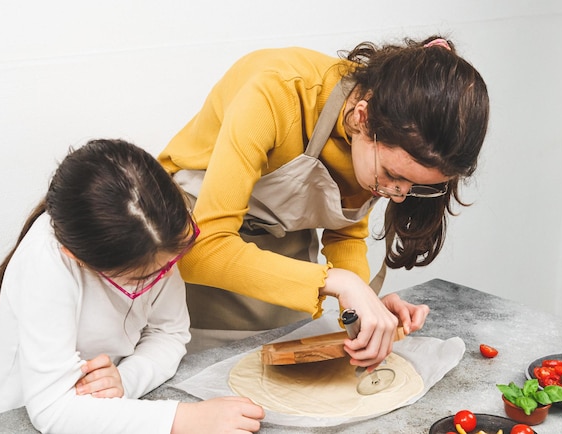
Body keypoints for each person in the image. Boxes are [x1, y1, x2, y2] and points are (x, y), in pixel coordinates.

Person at [158, 35, 489, 367]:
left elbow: (344, 232)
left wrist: (365, 307)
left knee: (279, 366)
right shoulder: (275, 92)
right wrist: (342, 282)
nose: (398, 193)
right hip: (189, 235)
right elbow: (201, 251)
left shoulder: (380, 136)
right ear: (362, 117)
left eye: (416, 186)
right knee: (206, 373)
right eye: (392, 174)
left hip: (280, 245)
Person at [0, 139, 264, 433]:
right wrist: (183, 419)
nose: (166, 278)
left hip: (100, 411)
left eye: (171, 263)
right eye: (141, 279)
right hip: (10, 419)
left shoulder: (155, 236)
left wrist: (124, 381)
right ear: (77, 259)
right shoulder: (46, 262)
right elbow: (53, 410)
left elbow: (169, 332)